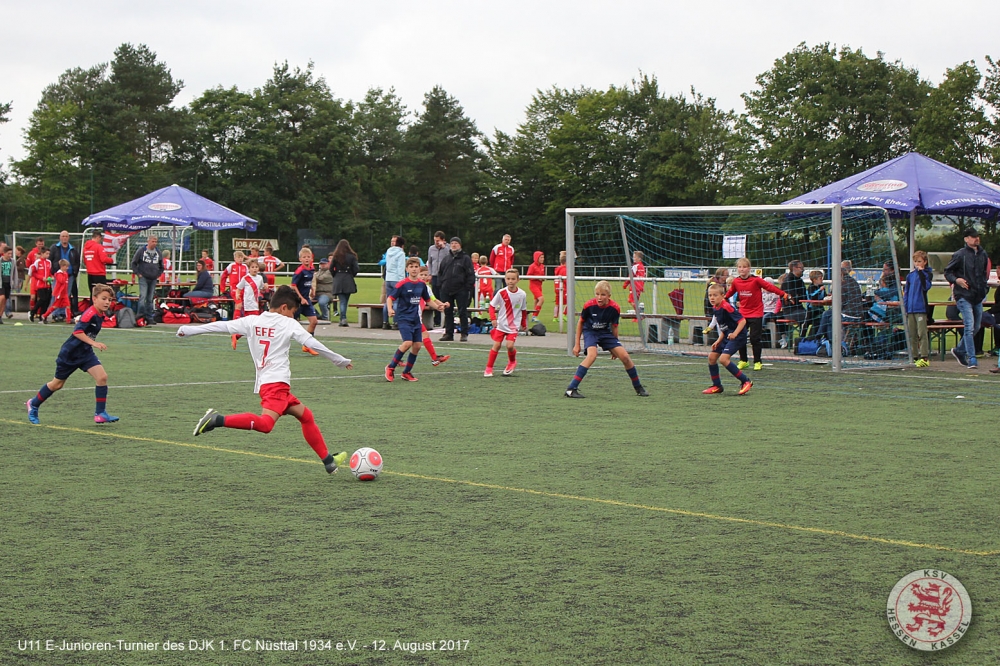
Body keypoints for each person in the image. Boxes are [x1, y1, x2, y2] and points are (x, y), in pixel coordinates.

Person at [178, 286, 352, 475]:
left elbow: (220, 325)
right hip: (276, 385)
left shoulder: (252, 321)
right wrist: (339, 360)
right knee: (266, 425)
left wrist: (187, 330)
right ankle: (216, 420)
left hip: (271, 385)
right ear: (284, 307)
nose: (293, 318)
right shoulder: (288, 324)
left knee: (306, 416)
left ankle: (328, 461)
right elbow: (311, 342)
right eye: (293, 313)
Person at [26, 284, 120, 425]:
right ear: (94, 299)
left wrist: (90, 345)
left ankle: (100, 414)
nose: (107, 302)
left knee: (102, 377)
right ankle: (33, 404)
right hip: (70, 354)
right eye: (104, 298)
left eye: (110, 299)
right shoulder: (90, 313)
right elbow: (77, 332)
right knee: (57, 384)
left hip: (85, 353)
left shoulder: (100, 314)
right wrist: (94, 343)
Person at [565, 280, 649, 398]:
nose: (599, 297)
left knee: (625, 357)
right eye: (597, 294)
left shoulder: (615, 308)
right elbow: (580, 323)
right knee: (592, 356)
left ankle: (638, 387)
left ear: (609, 296)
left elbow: (614, 327)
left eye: (603, 295)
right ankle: (571, 389)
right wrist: (577, 344)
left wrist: (614, 347)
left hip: (605, 333)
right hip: (591, 332)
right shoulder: (589, 305)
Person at [384, 258, 447, 382]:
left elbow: (428, 300)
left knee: (417, 346)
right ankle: (390, 367)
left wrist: (438, 307)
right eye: (411, 266)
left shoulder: (421, 284)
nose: (414, 269)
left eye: (416, 266)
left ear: (419, 268)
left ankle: (406, 372)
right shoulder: (402, 284)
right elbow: (390, 298)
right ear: (407, 269)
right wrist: (390, 309)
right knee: (407, 343)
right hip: (404, 318)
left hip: (416, 320)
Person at [724, 258, 789, 371]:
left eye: (744, 267)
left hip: (756, 313)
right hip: (743, 314)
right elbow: (730, 293)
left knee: (755, 338)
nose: (742, 269)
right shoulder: (736, 281)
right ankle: (743, 360)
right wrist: (722, 300)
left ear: (749, 268)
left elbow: (770, 287)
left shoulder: (756, 280)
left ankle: (757, 361)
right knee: (741, 338)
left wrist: (783, 294)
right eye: (740, 267)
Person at [945, 227, 990, 369]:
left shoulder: (983, 254)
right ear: (966, 239)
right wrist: (957, 280)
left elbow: (983, 274)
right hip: (964, 295)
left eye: (977, 236)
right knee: (969, 326)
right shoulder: (960, 255)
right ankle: (972, 358)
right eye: (972, 236)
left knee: (976, 326)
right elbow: (948, 271)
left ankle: (959, 350)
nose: (976, 238)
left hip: (977, 295)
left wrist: (984, 289)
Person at [702, 283, 754, 395]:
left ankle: (746, 381)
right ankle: (717, 386)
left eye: (715, 295)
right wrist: (719, 340)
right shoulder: (715, 308)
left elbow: (742, 321)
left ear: (722, 296)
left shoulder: (727, 307)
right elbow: (724, 328)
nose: (712, 298)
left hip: (738, 336)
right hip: (727, 336)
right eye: (710, 295)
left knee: (723, 359)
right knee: (712, 357)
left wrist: (735, 333)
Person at [485, 268, 528, 377]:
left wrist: (523, 323)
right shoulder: (501, 292)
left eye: (513, 279)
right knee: (497, 345)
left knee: (509, 346)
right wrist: (493, 318)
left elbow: (523, 310)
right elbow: (491, 306)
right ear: (505, 279)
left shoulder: (522, 294)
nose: (510, 281)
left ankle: (512, 362)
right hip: (501, 324)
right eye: (508, 279)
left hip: (513, 326)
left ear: (518, 280)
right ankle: (489, 368)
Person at [815, 260, 866, 344]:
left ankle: (829, 342)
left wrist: (832, 298)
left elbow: (840, 303)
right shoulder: (854, 282)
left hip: (849, 315)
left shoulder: (842, 284)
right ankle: (822, 339)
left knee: (829, 318)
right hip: (858, 314)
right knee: (827, 314)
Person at [437, 237, 476, 342]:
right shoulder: (446, 258)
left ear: (460, 245)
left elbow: (470, 274)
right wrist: (441, 284)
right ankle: (449, 333)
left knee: (462, 311)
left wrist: (467, 287)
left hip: (461, 289)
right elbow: (440, 272)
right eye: (452, 243)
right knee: (448, 312)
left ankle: (464, 333)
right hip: (446, 289)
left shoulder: (465, 259)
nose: (454, 245)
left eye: (456, 243)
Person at [904, 251, 933, 368]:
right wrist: (906, 307)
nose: (917, 264)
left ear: (925, 262)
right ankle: (914, 356)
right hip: (910, 309)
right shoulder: (910, 276)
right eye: (915, 261)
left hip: (920, 307)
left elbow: (926, 287)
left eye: (919, 261)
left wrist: (921, 273)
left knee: (922, 333)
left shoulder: (927, 274)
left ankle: (924, 356)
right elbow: (906, 292)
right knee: (912, 334)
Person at [290, 247, 321, 355]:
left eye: (308, 257)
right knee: (289, 324)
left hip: (306, 300)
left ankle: (307, 345)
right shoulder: (299, 271)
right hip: (297, 301)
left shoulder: (312, 268)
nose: (307, 259)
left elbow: (308, 281)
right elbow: (293, 286)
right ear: (300, 259)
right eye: (304, 257)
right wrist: (301, 298)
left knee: (314, 321)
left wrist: (312, 290)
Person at [417, 265, 449, 366]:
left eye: (425, 275)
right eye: (421, 275)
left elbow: (433, 300)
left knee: (413, 342)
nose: (423, 277)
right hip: (410, 317)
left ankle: (434, 358)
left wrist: (442, 304)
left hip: (417, 317)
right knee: (412, 341)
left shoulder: (426, 288)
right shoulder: (413, 286)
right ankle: (434, 358)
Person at [130, 235, 164, 325]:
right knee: (143, 296)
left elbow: (161, 265)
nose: (154, 243)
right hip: (143, 277)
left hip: (153, 278)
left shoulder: (158, 252)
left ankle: (149, 317)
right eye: (153, 241)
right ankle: (140, 316)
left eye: (156, 242)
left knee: (150, 299)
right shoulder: (141, 251)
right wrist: (138, 274)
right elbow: (133, 263)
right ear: (148, 241)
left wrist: (158, 274)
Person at [232, 259, 265, 349]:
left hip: (255, 304)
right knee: (254, 325)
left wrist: (265, 287)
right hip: (248, 305)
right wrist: (237, 294)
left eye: (256, 267)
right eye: (252, 267)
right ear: (249, 269)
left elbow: (262, 288)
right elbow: (238, 287)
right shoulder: (246, 278)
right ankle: (255, 343)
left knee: (252, 326)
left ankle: (237, 336)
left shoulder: (260, 278)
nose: (254, 269)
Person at [48, 231, 80, 316]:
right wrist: (52, 271)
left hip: (69, 276)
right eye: (63, 236)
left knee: (66, 295)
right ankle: (54, 313)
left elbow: (77, 262)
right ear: (60, 237)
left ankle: (62, 313)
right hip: (58, 275)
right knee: (56, 294)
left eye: (66, 236)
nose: (64, 238)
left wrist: (74, 272)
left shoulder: (73, 248)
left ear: (68, 237)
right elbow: (50, 260)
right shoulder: (54, 248)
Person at [329, 239, 359, 327]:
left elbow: (331, 268)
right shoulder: (352, 256)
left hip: (338, 278)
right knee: (345, 300)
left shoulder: (336, 256)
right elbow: (356, 268)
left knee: (342, 301)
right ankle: (343, 318)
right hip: (348, 278)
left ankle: (342, 318)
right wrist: (351, 275)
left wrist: (335, 275)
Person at [382, 236, 406, 330]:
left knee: (388, 300)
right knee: (397, 301)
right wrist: (402, 281)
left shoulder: (389, 251)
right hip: (397, 279)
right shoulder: (401, 253)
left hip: (388, 278)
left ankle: (385, 322)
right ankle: (396, 322)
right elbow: (400, 268)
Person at [426, 231, 449, 327]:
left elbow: (451, 256)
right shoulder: (431, 249)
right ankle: (437, 319)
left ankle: (447, 319)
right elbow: (430, 262)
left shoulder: (447, 248)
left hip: (445, 276)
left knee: (444, 296)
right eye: (435, 240)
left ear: (443, 240)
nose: (436, 242)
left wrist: (443, 247)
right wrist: (430, 273)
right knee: (435, 297)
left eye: (438, 240)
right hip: (435, 275)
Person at [28, 247, 52, 323]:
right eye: (46, 253)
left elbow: (50, 272)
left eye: (49, 254)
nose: (48, 255)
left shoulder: (49, 262)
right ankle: (33, 312)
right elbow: (33, 272)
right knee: (42, 299)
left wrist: (51, 277)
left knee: (47, 301)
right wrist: (41, 278)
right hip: (40, 284)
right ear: (42, 254)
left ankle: (42, 316)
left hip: (47, 285)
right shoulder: (37, 262)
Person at [801, 270, 827, 339]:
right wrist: (819, 291)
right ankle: (801, 338)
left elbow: (824, 296)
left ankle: (824, 337)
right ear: (814, 280)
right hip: (811, 308)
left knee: (824, 319)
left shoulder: (821, 286)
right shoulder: (811, 287)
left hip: (820, 308)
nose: (822, 280)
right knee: (806, 324)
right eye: (820, 278)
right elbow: (812, 297)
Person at [526, 251, 546, 321]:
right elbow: (528, 276)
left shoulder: (542, 266)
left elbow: (542, 275)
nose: (543, 259)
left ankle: (533, 317)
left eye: (543, 257)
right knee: (541, 299)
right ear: (537, 258)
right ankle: (534, 316)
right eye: (541, 257)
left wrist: (543, 278)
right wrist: (537, 277)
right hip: (533, 285)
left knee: (536, 300)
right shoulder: (532, 266)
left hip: (539, 285)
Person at [0, 246, 14, 324]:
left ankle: (0, 316)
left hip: (8, 283)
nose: (10, 255)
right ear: (4, 253)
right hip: (1, 283)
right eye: (8, 253)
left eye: (11, 253)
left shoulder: (13, 261)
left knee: (5, 300)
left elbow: (14, 272)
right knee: (1, 297)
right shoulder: (0, 261)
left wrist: (14, 282)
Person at [552, 251, 568, 320]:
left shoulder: (558, 269)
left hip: (557, 288)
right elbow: (566, 280)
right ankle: (564, 315)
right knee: (569, 301)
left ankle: (555, 317)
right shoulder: (564, 269)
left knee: (557, 303)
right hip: (563, 288)